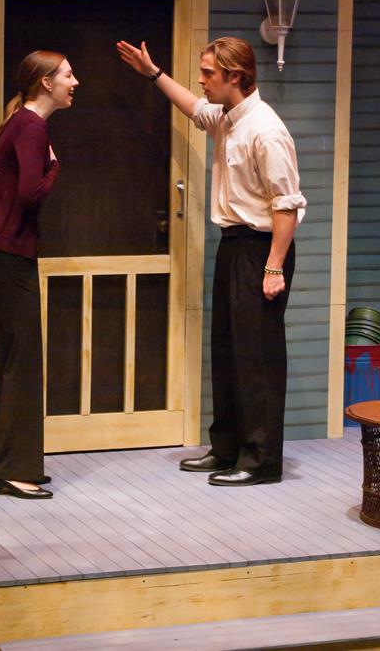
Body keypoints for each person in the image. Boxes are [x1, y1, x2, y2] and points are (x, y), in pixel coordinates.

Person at [117, 37, 306, 486]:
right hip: (234, 245)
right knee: (227, 351)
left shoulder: (266, 129)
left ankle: (260, 461)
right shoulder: (226, 117)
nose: (200, 81)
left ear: (235, 77)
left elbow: (286, 206)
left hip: (263, 249)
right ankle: (227, 449)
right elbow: (193, 109)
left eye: (208, 73)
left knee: (256, 357)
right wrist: (153, 73)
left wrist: (274, 267)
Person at [0, 51, 79, 500]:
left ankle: (9, 463)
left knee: (11, 352)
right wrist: (56, 168)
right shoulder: (33, 126)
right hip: (10, 251)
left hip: (3, 249)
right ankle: (14, 470)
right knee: (21, 357)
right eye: (67, 75)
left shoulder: (25, 123)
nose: (75, 82)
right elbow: (29, 195)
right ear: (45, 83)